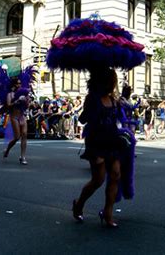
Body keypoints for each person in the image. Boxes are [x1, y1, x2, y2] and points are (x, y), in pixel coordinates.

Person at [72, 68, 122, 228]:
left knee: (115, 174)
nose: (114, 84)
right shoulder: (92, 98)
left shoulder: (113, 99)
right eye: (113, 81)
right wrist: (90, 111)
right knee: (98, 180)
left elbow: (116, 119)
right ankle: (79, 204)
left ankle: (108, 213)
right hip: (96, 142)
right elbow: (83, 118)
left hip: (112, 141)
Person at [3, 77, 30, 165]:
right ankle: (7, 149)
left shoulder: (24, 94)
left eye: (20, 83)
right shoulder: (10, 94)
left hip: (22, 116)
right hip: (14, 117)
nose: (19, 85)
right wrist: (17, 100)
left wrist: (26, 100)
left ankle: (22, 157)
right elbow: (8, 105)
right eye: (17, 83)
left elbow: (27, 105)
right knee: (17, 137)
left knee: (25, 135)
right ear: (14, 84)